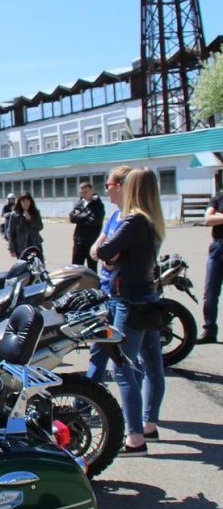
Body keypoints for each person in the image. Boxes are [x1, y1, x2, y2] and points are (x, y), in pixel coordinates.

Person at [94, 167, 166, 452]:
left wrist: (112, 258)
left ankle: (135, 436)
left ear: (132, 188)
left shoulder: (133, 220)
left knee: (122, 368)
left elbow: (102, 251)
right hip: (148, 297)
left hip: (130, 301)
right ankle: (148, 424)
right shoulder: (153, 219)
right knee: (152, 365)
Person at [86, 165, 131, 383]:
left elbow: (112, 258)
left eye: (108, 185)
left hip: (120, 295)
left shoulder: (129, 220)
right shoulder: (114, 216)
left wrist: (105, 255)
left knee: (123, 359)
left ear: (120, 187)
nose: (106, 190)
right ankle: (85, 398)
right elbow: (96, 250)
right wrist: (104, 254)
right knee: (98, 349)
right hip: (105, 292)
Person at [198, 187, 223, 344]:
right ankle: (209, 330)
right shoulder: (219, 197)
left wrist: (219, 216)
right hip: (217, 248)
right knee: (210, 293)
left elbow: (214, 218)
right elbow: (208, 219)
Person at [69, 182, 105, 270]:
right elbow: (72, 218)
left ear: (91, 191)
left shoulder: (98, 205)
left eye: (86, 192)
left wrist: (79, 216)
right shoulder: (79, 203)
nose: (84, 195)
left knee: (92, 269)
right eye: (81, 193)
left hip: (92, 242)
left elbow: (94, 221)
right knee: (76, 268)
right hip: (79, 241)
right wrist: (87, 215)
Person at [7, 191, 44, 262]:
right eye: (23, 201)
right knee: (23, 266)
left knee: (39, 265)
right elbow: (11, 233)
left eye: (27, 201)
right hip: (21, 247)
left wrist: (30, 219)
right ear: (20, 202)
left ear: (30, 201)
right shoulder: (15, 215)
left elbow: (40, 227)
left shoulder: (35, 212)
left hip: (35, 245)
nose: (25, 203)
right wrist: (12, 249)